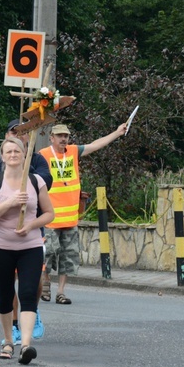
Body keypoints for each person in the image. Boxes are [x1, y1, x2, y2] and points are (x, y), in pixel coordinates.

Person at [0, 137, 54, 365]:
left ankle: (27, 345)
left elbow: (49, 213)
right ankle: (9, 340)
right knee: (4, 295)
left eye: (17, 151)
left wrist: (31, 225)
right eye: (8, 151)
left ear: (24, 156)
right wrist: (9, 203)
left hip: (30, 246)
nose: (13, 155)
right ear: (2, 156)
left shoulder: (35, 180)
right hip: (1, 247)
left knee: (29, 293)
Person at [39, 122, 127, 304]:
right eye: (60, 136)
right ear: (51, 138)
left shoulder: (73, 151)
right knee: (47, 253)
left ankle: (61, 292)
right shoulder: (43, 156)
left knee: (68, 256)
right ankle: (45, 282)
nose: (64, 139)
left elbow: (96, 144)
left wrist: (117, 133)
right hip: (50, 218)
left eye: (66, 136)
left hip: (70, 219)